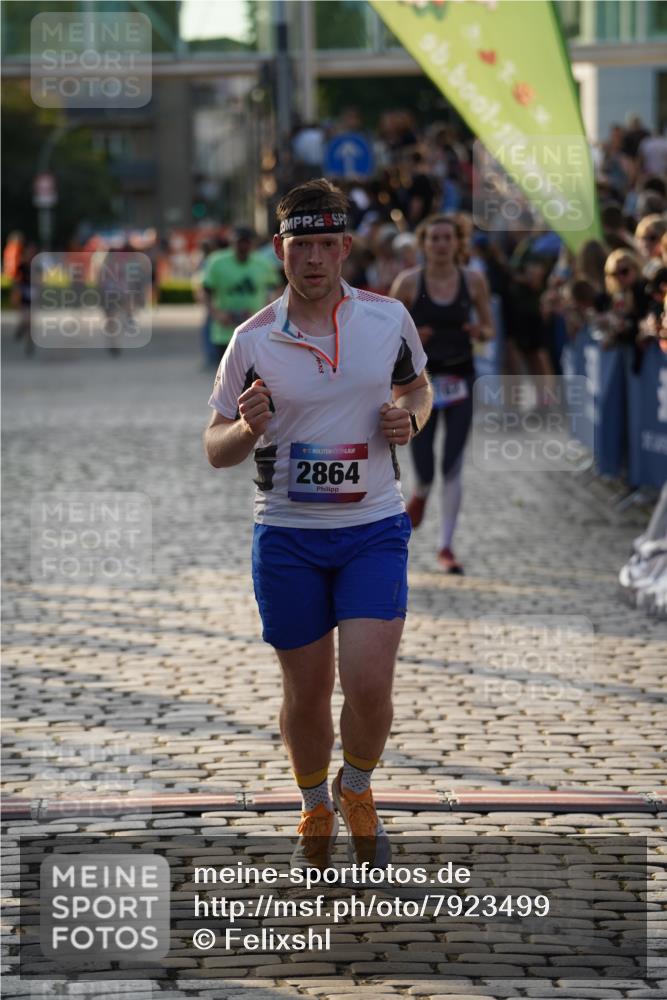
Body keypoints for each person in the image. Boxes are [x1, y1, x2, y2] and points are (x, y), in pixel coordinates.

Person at [204, 179, 432, 872]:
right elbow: (214, 447)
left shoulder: (387, 319)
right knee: (304, 693)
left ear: (344, 248)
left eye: (323, 245)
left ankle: (355, 786)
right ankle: (313, 803)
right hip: (288, 537)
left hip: (372, 527)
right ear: (280, 250)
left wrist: (410, 418)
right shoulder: (250, 340)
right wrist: (247, 425)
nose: (311, 259)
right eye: (298, 245)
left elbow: (415, 387)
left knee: (368, 685)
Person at [390, 214, 493, 574]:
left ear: (457, 242)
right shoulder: (408, 282)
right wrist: (415, 333)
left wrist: (479, 330)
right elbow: (387, 330)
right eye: (434, 238)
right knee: (425, 468)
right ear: (423, 243)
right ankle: (419, 494)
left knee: (452, 465)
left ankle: (446, 547)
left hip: (461, 378)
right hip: (421, 385)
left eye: (447, 238)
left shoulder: (473, 281)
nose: (441, 244)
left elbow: (490, 328)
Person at [202, 226, 279, 366]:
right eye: (239, 242)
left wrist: (264, 315)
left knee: (254, 379)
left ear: (253, 243)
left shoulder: (263, 264)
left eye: (246, 242)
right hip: (224, 332)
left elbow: (275, 292)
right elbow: (205, 292)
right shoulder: (217, 262)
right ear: (231, 242)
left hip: (255, 332)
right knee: (225, 379)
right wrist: (217, 314)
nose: (243, 246)